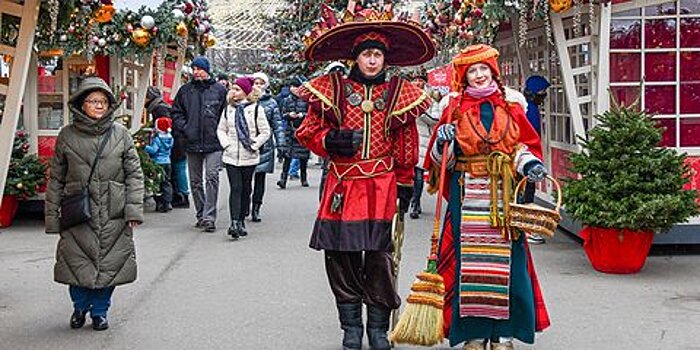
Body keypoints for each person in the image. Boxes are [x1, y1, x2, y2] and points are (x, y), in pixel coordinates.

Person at [295, 5, 435, 349]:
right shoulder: (333, 88)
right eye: (366, 54)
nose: (372, 61)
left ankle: (376, 328)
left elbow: (406, 142)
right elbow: (307, 130)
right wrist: (330, 140)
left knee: (379, 257)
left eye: (377, 55)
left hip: (382, 184)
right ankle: (351, 328)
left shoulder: (399, 92)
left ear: (385, 59)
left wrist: (405, 184)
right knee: (340, 256)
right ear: (355, 57)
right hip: (342, 185)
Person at [424, 44, 550, 350]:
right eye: (472, 71)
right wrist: (443, 144)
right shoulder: (453, 108)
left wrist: (531, 165)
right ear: (463, 76)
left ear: (492, 71)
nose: (479, 76)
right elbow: (439, 163)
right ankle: (474, 334)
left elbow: (524, 146)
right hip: (466, 194)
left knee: (510, 263)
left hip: (505, 194)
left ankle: (504, 335)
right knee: (468, 264)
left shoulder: (512, 105)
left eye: (483, 69)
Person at [45, 77, 144, 331]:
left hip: (114, 210)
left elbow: (134, 174)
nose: (98, 105)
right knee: (75, 264)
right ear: (81, 103)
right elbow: (56, 178)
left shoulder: (121, 135)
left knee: (110, 266)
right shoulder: (67, 135)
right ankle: (79, 307)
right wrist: (52, 217)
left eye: (102, 101)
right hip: (78, 211)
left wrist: (133, 209)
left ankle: (100, 312)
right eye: (92, 100)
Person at [171, 56, 228, 232]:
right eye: (194, 68)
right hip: (192, 141)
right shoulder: (185, 91)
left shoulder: (219, 90)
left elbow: (226, 113)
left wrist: (224, 134)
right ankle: (201, 213)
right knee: (195, 181)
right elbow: (176, 113)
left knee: (212, 176)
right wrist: (185, 128)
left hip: (214, 142)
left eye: (199, 68)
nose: (196, 72)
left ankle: (209, 217)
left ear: (207, 70)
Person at [217, 77, 271, 239]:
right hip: (231, 156)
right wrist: (226, 145)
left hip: (249, 156)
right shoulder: (228, 109)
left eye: (238, 89)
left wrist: (254, 145)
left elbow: (265, 132)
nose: (234, 92)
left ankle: (241, 220)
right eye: (233, 88)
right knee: (236, 188)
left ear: (246, 92)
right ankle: (233, 222)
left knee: (246, 188)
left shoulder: (255, 109)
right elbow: (221, 129)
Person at [251, 72, 285, 222]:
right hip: (248, 144)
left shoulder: (271, 103)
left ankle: (256, 207)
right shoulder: (246, 100)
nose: (258, 85)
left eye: (261, 83)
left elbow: (277, 125)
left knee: (260, 178)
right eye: (256, 82)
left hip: (265, 145)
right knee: (245, 179)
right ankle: (244, 205)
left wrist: (281, 143)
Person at [522, 75, 550, 245]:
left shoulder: (528, 107)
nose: (543, 96)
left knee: (527, 192)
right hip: (528, 157)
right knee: (527, 193)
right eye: (541, 92)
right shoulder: (529, 110)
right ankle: (527, 229)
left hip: (528, 156)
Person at [409, 74, 438, 219]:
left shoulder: (430, 99)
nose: (417, 82)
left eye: (420, 80)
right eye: (415, 79)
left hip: (422, 141)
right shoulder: (405, 97)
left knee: (418, 175)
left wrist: (420, 111)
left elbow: (434, 120)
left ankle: (416, 203)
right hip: (407, 141)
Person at [277, 75, 310, 189]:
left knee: (303, 157)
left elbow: (311, 115)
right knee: (288, 156)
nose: (294, 89)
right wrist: (288, 115)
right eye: (292, 87)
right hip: (290, 131)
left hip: (302, 130)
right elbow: (283, 114)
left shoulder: (306, 100)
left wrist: (302, 115)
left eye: (296, 87)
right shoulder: (287, 100)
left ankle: (304, 177)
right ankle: (283, 179)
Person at [145, 117, 175, 212]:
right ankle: (168, 202)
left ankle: (160, 203)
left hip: (158, 163)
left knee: (158, 184)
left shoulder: (158, 139)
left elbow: (154, 150)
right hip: (168, 162)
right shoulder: (170, 138)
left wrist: (144, 147)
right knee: (167, 182)